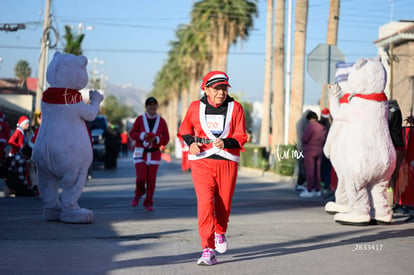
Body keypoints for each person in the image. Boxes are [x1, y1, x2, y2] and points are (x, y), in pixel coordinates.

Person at [178, 71, 248, 266]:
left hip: (227, 160)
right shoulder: (195, 107)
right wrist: (191, 143)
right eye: (216, 88)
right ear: (206, 89)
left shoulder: (236, 108)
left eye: (224, 88)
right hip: (201, 160)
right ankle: (207, 249)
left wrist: (226, 142)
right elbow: (184, 129)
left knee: (223, 205)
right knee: (205, 204)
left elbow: (242, 135)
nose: (221, 92)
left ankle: (220, 231)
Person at [129, 97, 170, 211]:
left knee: (151, 181)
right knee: (141, 177)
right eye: (149, 105)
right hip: (140, 153)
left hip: (154, 154)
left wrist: (156, 139)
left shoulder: (161, 121)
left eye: (154, 105)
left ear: (157, 106)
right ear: (146, 107)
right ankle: (139, 193)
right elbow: (132, 133)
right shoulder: (139, 119)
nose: (152, 107)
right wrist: (143, 136)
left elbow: (166, 138)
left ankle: (148, 202)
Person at [300, 111, 327, 198]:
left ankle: (309, 190)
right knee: (317, 171)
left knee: (310, 171)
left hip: (309, 150)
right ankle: (317, 189)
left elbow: (304, 138)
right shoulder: (322, 127)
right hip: (319, 150)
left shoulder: (310, 126)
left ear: (310, 118)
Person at [387, 100, 405, 197]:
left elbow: (387, 127)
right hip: (399, 146)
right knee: (393, 177)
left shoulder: (389, 111)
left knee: (389, 178)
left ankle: (389, 203)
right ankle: (392, 201)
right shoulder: (396, 110)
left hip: (393, 146)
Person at [295, 109, 311, 192]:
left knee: (300, 166)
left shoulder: (299, 122)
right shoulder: (305, 123)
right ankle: (301, 184)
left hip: (299, 147)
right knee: (303, 167)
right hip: (303, 148)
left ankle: (299, 184)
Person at [319, 108, 333, 195]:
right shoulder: (332, 126)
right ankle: (326, 186)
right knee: (328, 169)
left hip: (321, 149)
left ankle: (322, 184)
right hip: (330, 150)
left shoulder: (319, 126)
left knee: (322, 169)